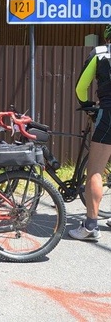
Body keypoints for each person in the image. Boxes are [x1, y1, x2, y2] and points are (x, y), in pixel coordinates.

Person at [69, 24, 111, 240]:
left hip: (109, 113)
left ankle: (91, 226)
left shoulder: (101, 53)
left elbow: (80, 87)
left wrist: (88, 106)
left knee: (95, 170)